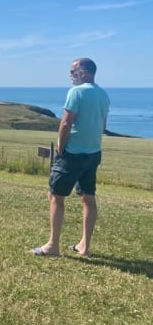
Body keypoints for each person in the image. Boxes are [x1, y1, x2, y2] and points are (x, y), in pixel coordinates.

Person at [32, 58, 110, 257]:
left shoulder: (76, 92)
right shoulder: (103, 95)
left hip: (73, 153)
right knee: (88, 198)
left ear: (83, 72)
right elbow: (102, 126)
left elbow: (66, 123)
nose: (70, 75)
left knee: (55, 196)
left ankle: (52, 246)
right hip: (93, 153)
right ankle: (84, 246)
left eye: (72, 71)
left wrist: (61, 147)